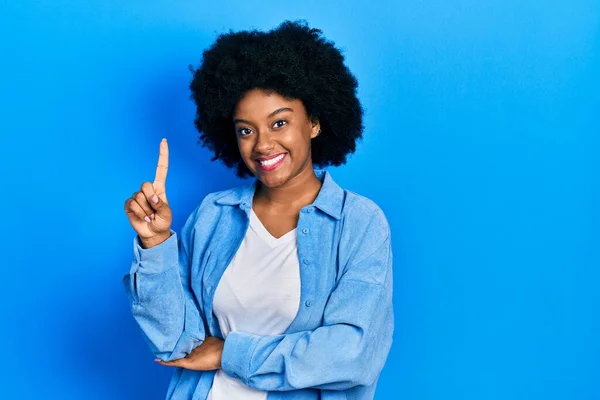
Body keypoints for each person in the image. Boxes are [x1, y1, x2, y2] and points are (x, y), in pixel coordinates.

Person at [123, 19, 394, 400]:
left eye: (279, 123)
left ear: (314, 122)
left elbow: (352, 354)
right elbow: (173, 344)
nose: (262, 145)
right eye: (246, 130)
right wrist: (155, 246)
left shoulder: (359, 224)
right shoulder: (214, 215)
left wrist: (229, 353)